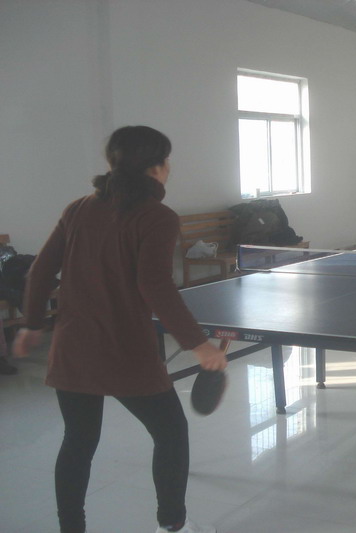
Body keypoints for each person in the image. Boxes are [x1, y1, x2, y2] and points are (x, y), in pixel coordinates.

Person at [12, 126, 226, 533]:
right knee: (170, 433)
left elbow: (39, 272)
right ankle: (173, 525)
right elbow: (155, 284)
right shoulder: (157, 216)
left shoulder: (78, 208)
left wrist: (32, 325)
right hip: (126, 351)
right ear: (155, 168)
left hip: (73, 348)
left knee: (78, 441)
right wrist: (198, 345)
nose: (169, 166)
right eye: (166, 159)